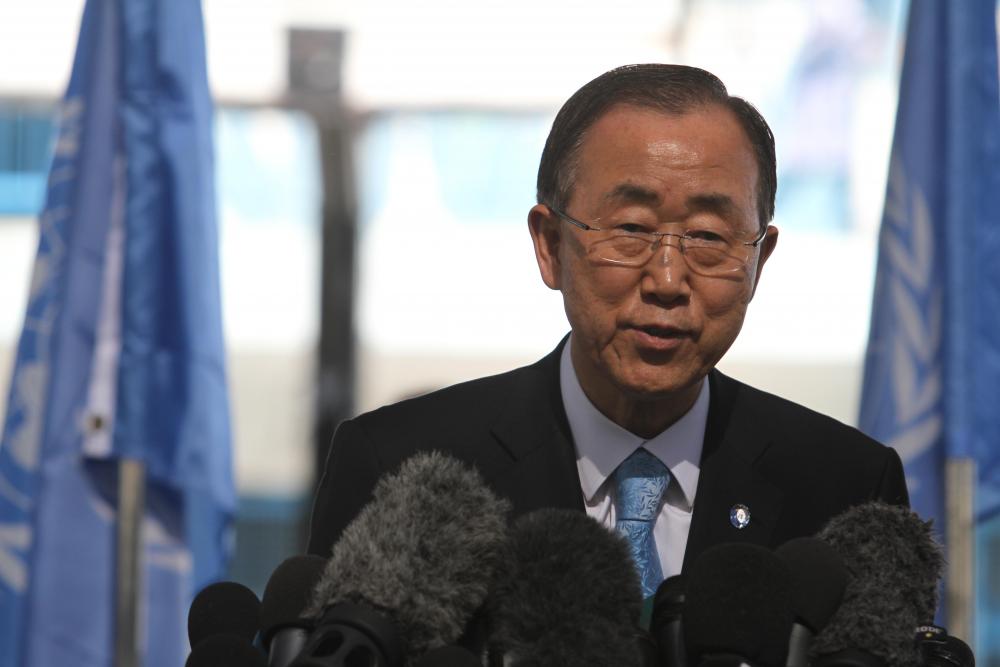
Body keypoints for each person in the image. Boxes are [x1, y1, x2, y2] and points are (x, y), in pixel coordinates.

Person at [306, 64, 908, 592]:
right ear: (550, 245)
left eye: (707, 236)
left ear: (759, 261)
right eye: (631, 230)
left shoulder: (845, 488)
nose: (667, 280)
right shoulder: (399, 469)